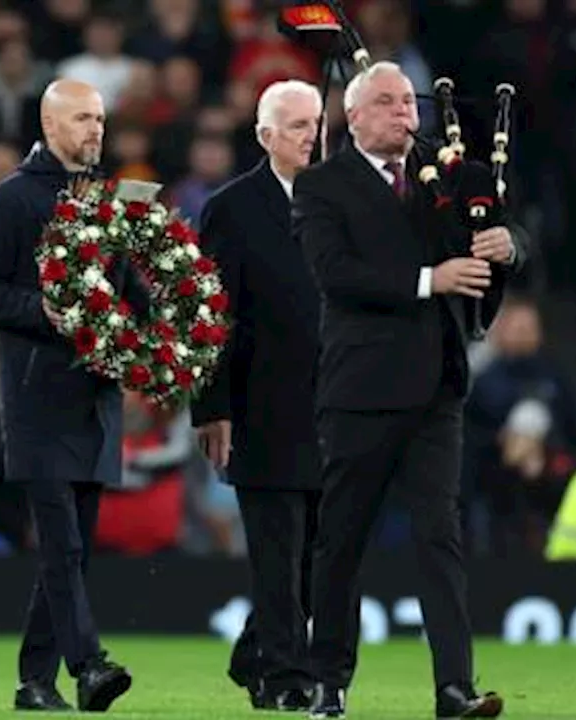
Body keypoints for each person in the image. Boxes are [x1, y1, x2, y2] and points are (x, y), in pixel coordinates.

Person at [292, 62, 527, 719]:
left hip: (436, 387)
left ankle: (454, 689)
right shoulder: (321, 185)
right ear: (355, 115)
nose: (406, 113)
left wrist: (510, 244)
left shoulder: (444, 173)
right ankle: (329, 683)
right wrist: (430, 279)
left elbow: (500, 221)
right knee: (342, 540)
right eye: (389, 103)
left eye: (408, 103)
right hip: (360, 388)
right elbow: (335, 275)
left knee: (439, 537)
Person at [0, 78, 135, 713]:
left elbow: (121, 291)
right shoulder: (10, 199)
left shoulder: (110, 198)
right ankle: (89, 666)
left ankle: (34, 682)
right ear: (50, 124)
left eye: (101, 119)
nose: (96, 130)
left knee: (76, 551)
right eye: (84, 119)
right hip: (36, 396)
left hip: (95, 394)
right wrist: (55, 312)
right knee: (61, 543)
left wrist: (161, 328)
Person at [190, 79, 322, 711]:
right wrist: (210, 406)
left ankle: (254, 655)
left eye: (316, 124)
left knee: (316, 564)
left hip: (334, 408)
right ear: (265, 136)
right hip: (262, 407)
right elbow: (211, 315)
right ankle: (287, 681)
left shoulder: (338, 201)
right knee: (277, 555)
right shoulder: (231, 208)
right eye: (297, 126)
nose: (311, 136)